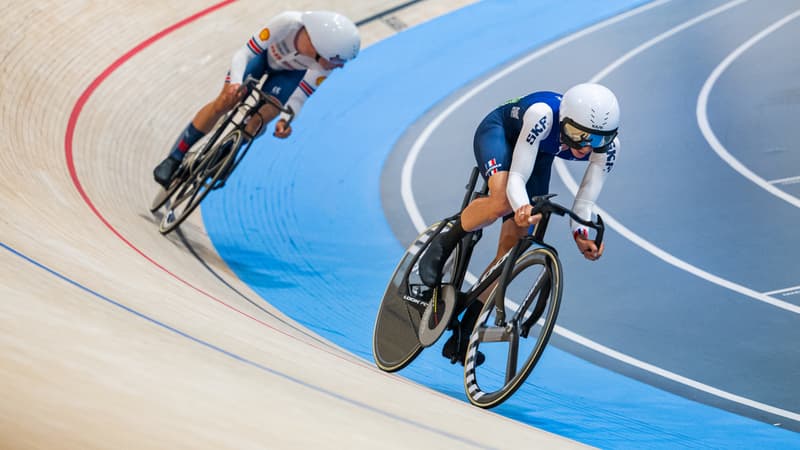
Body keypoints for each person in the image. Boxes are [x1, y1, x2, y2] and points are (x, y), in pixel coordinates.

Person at [419, 83, 620, 365]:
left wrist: (582, 234)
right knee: (503, 199)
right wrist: (520, 206)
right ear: (564, 121)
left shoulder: (609, 149)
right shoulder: (542, 115)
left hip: (538, 154)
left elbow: (584, 205)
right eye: (579, 135)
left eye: (598, 140)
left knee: (513, 249)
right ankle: (442, 243)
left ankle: (467, 328)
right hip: (502, 134)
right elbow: (516, 179)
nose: (586, 146)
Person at [153, 10, 361, 187]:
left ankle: (227, 152)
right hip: (260, 59)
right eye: (337, 60)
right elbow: (244, 54)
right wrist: (234, 84)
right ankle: (175, 158)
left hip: (287, 76)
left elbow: (300, 96)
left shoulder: (324, 65)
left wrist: (285, 121)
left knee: (264, 116)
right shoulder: (288, 23)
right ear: (320, 46)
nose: (340, 66)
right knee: (225, 102)